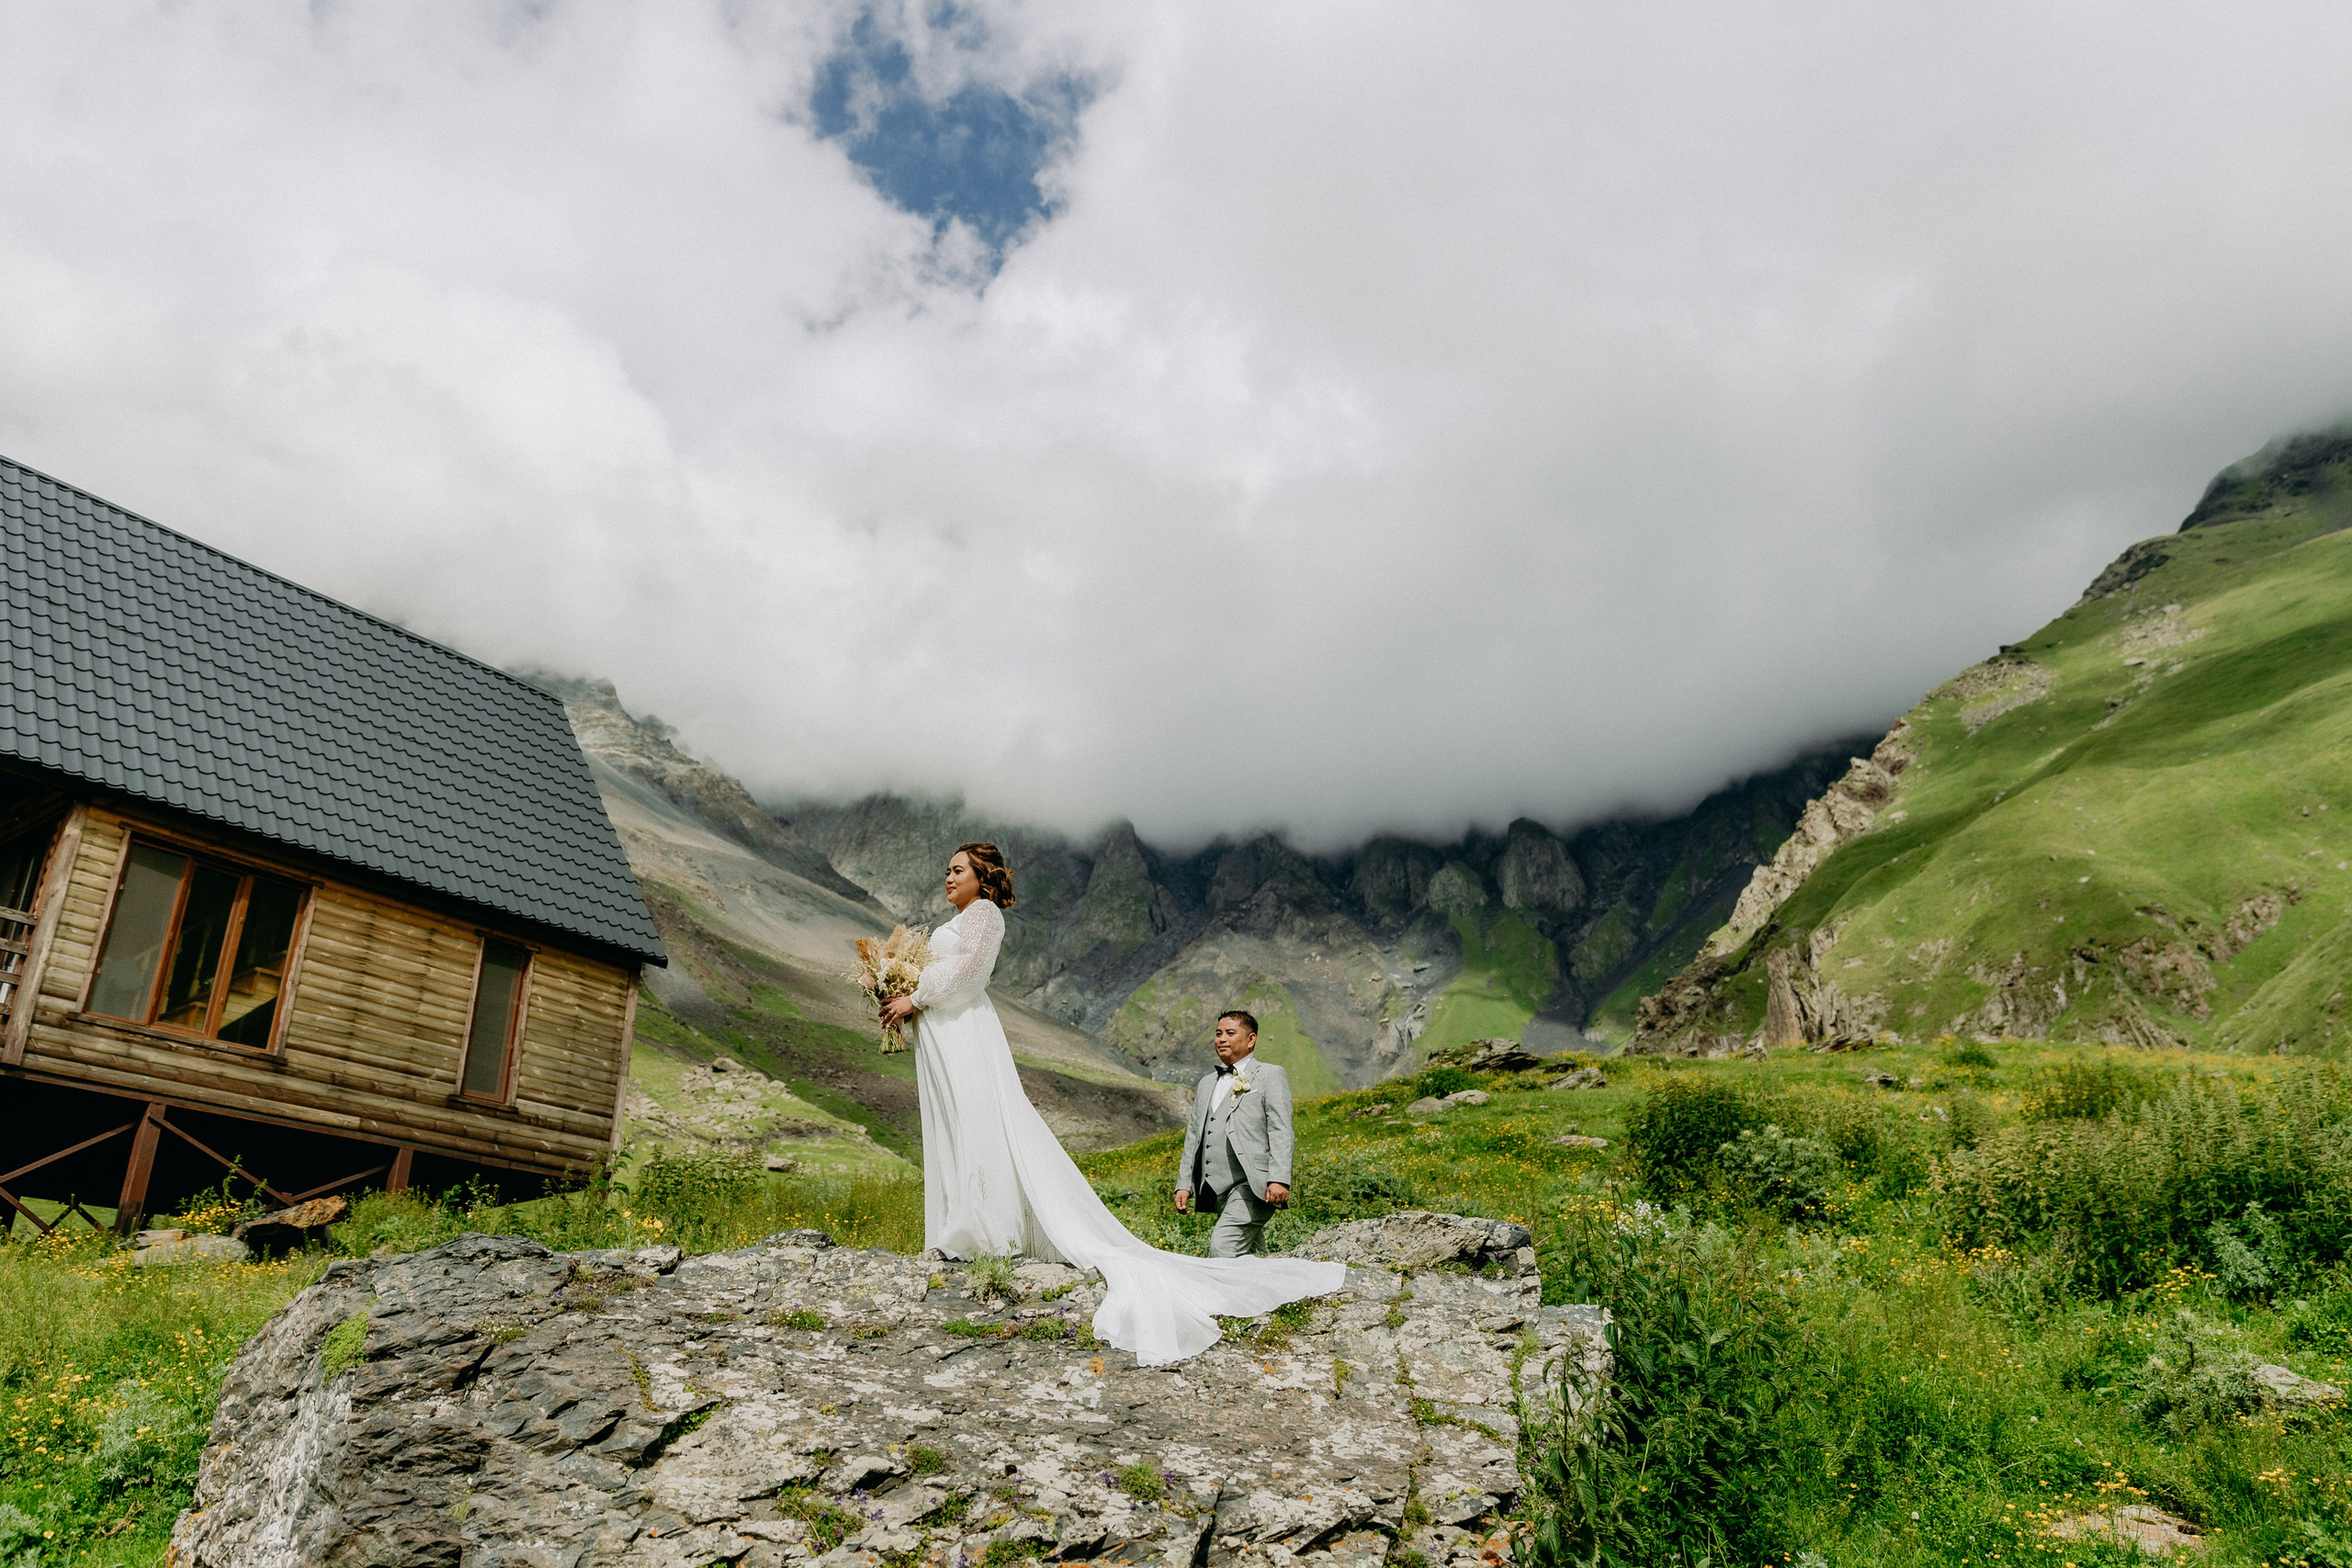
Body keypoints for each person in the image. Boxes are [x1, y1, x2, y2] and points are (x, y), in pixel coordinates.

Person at [877, 843, 1343, 1365]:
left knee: (978, 1123)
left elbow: (970, 974)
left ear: (982, 878)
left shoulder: (984, 914)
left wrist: (914, 994)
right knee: (955, 1126)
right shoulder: (959, 918)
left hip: (964, 1031)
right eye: (946, 869)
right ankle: (959, 1225)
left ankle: (979, 1228)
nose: (948, 877)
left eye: (957, 869)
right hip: (944, 1032)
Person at [1173, 1011, 1294, 1258]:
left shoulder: (1270, 1075)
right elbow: (1194, 1136)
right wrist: (1184, 1184)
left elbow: (1281, 1129)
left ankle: (1222, 1297)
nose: (1222, 1039)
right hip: (1217, 1189)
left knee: (1223, 1246)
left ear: (1250, 1040)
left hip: (1253, 1185)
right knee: (1244, 1256)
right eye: (1218, 1034)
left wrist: (1280, 1178)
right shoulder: (1206, 1083)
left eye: (1230, 1033)